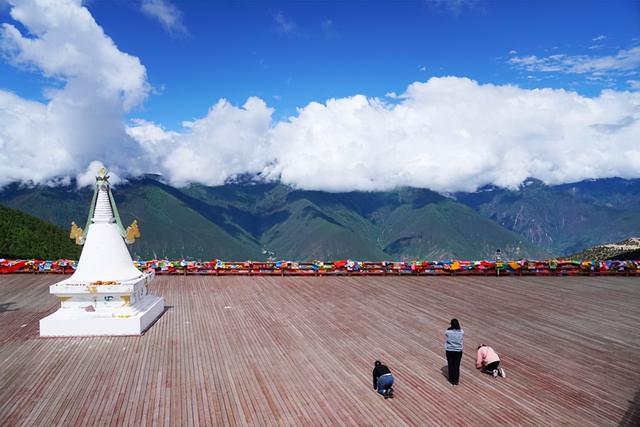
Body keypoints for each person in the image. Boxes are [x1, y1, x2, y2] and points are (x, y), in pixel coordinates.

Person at [445, 318, 464, 385]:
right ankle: (456, 380)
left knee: (450, 365)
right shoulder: (461, 332)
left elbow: (447, 332)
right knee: (456, 366)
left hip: (450, 350)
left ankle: (451, 380)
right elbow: (460, 330)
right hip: (458, 351)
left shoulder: (448, 332)